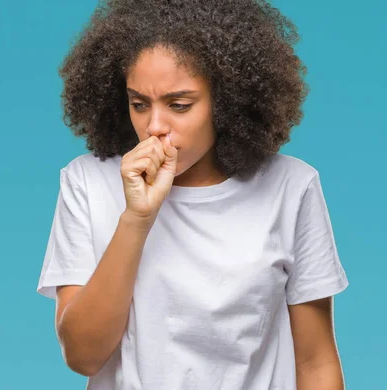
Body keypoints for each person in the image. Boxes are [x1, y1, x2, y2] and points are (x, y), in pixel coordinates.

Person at [36, 0, 349, 389]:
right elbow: (82, 355)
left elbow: (316, 363)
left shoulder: (291, 187)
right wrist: (137, 218)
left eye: (179, 105)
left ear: (227, 100)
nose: (154, 126)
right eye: (138, 104)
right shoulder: (88, 182)